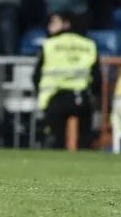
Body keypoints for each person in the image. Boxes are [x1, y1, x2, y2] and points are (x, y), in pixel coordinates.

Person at [32, 12, 101, 149]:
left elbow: (36, 76)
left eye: (54, 23)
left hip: (55, 99)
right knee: (84, 141)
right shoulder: (88, 45)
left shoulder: (49, 44)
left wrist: (40, 93)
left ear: (66, 24)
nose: (49, 27)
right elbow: (97, 78)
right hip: (82, 98)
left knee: (55, 141)